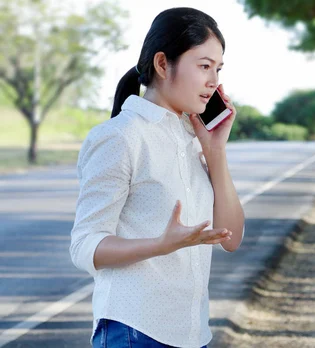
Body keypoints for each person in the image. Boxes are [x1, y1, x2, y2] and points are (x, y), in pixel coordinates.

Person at [69, 7, 245, 348]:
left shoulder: (193, 140)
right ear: (163, 64)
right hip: (134, 331)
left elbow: (231, 238)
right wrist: (161, 246)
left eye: (218, 69)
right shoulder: (120, 137)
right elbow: (84, 245)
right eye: (204, 66)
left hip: (193, 334)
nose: (214, 82)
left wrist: (216, 153)